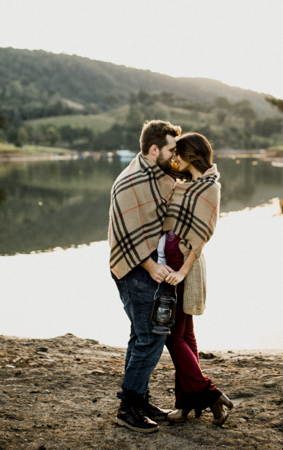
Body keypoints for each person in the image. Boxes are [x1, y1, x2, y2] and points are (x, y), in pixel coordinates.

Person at [108, 119, 181, 433]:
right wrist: (152, 268)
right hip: (134, 270)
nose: (175, 156)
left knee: (141, 335)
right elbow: (130, 233)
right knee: (152, 335)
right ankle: (128, 407)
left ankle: (140, 399)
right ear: (155, 150)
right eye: (171, 150)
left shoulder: (156, 175)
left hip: (149, 267)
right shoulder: (133, 181)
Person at [159, 132, 234, 426]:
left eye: (178, 153)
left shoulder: (209, 188)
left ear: (192, 154)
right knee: (186, 336)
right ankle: (187, 405)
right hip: (175, 259)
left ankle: (208, 392)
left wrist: (182, 270)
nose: (174, 158)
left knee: (172, 336)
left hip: (182, 262)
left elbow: (201, 236)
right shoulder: (189, 183)